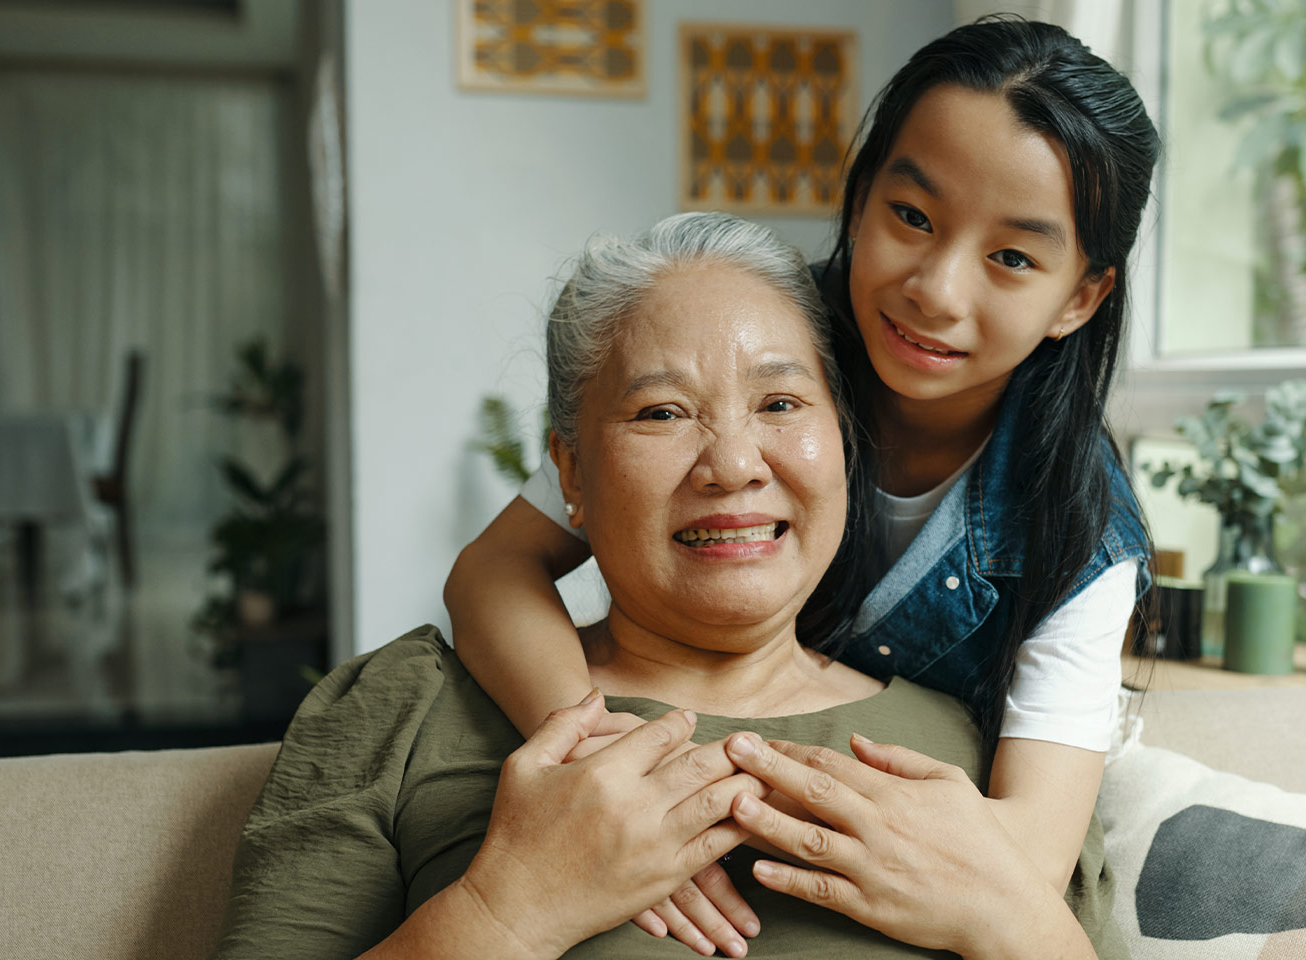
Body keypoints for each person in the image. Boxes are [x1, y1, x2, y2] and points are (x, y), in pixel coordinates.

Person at [212, 212, 1120, 959]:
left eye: (780, 403)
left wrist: (1012, 923)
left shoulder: (966, 748)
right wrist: (507, 912)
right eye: (661, 412)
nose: (732, 463)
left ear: (842, 440)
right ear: (569, 472)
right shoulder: (405, 710)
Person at [444, 17, 1159, 954]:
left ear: (1080, 296)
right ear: (860, 198)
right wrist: (603, 762)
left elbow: (1022, 862)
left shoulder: (1083, 523)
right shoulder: (751, 339)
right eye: (912, 217)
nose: (936, 290)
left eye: (1012, 257)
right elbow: (495, 570)